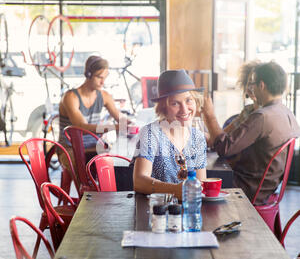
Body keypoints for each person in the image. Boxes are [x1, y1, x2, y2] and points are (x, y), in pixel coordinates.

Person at [202, 61, 300, 204]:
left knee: (196, 183)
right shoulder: (287, 113)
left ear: (261, 85)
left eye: (252, 84)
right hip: (268, 188)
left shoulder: (262, 116)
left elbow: (224, 148)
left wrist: (209, 115)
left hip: (247, 189)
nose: (250, 90)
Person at [132, 69, 207, 201]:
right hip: (155, 212)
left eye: (189, 100)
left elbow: (201, 184)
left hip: (188, 210)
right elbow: (139, 181)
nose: (184, 109)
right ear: (163, 107)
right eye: (175, 103)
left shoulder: (198, 137)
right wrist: (175, 190)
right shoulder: (150, 133)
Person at [58, 55, 127, 176]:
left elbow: (120, 118)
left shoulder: (104, 96)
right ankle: (85, 192)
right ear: (88, 75)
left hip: (92, 147)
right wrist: (112, 127)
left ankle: (107, 192)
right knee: (80, 166)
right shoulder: (71, 97)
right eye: (99, 77)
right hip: (69, 149)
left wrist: (131, 124)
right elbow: (81, 127)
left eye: (105, 78)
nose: (103, 82)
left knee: (117, 163)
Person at [223, 60, 261, 134]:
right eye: (249, 82)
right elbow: (224, 134)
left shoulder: (264, 114)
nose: (251, 87)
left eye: (255, 83)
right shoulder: (247, 110)